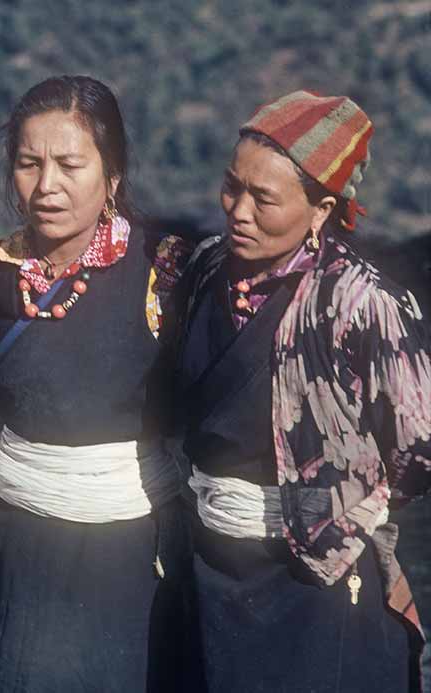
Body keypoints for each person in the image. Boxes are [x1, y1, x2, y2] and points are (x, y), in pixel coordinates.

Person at [172, 90, 431, 691]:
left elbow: (419, 447)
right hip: (213, 560)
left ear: (321, 210)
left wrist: (344, 494)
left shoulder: (363, 305)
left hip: (315, 573)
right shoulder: (206, 269)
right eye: (232, 186)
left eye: (264, 198)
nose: (238, 210)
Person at [0, 75, 194, 691]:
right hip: (22, 545)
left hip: (129, 547)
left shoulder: (162, 271)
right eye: (29, 164)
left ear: (112, 174)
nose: (47, 186)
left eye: (70, 164)